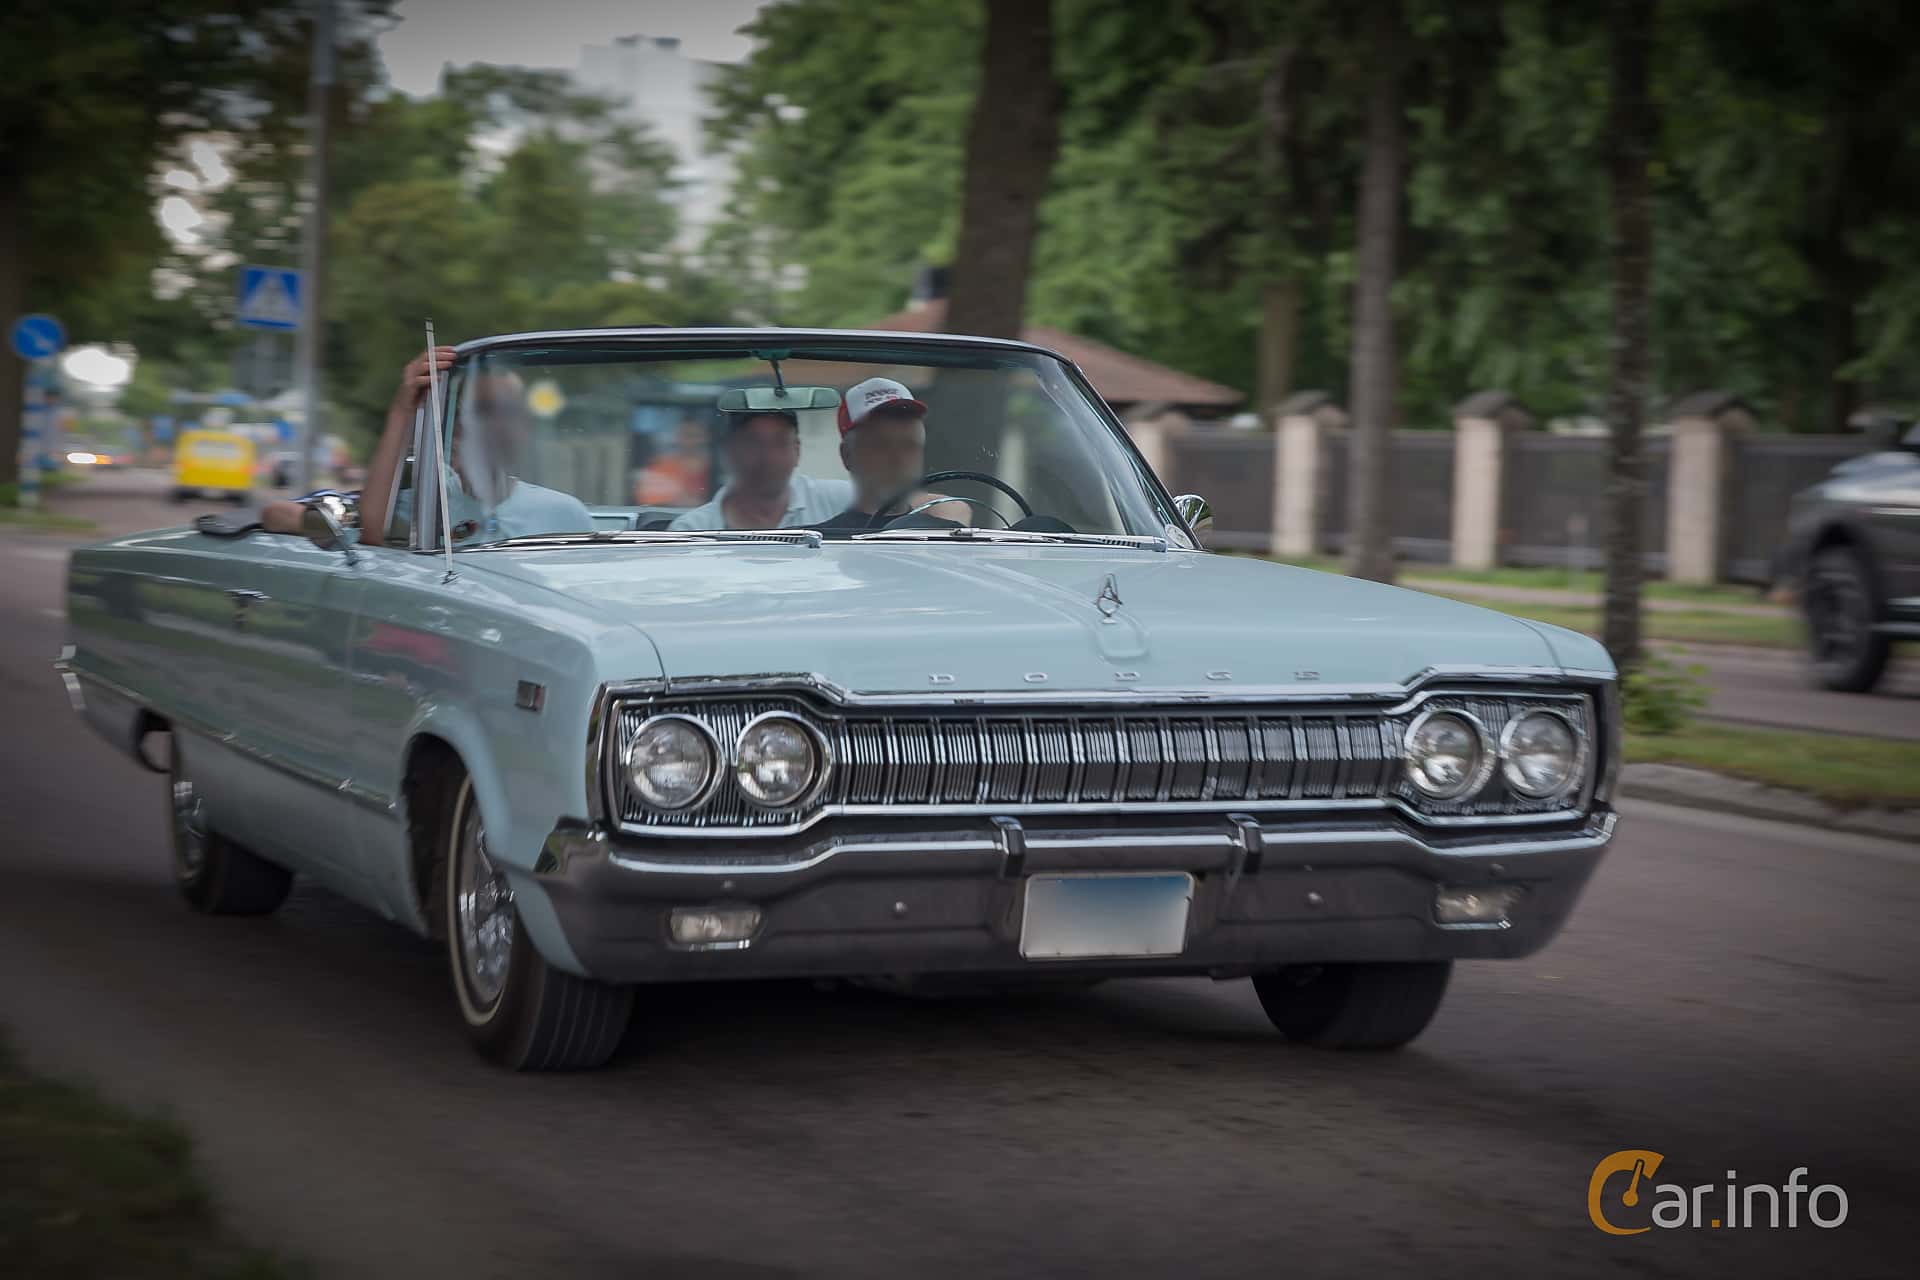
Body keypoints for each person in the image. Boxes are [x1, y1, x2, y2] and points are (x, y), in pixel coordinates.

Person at [263, 347, 593, 544]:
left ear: (525, 427)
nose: (497, 425)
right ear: (458, 425)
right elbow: (372, 531)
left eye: (509, 412)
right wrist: (403, 409)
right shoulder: (421, 509)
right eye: (482, 411)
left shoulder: (566, 514)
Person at [814, 376, 970, 530]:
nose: (898, 458)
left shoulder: (946, 537)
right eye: (881, 445)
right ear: (847, 455)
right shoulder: (817, 543)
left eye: (909, 445)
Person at [668, 409, 850, 530]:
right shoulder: (692, 530)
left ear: (797, 451)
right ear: (730, 452)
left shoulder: (842, 500)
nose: (768, 456)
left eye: (779, 443)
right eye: (753, 443)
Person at [633, 416, 712, 507]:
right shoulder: (661, 467)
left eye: (697, 436)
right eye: (687, 435)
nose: (692, 442)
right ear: (677, 437)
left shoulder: (717, 468)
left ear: (707, 438)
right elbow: (648, 502)